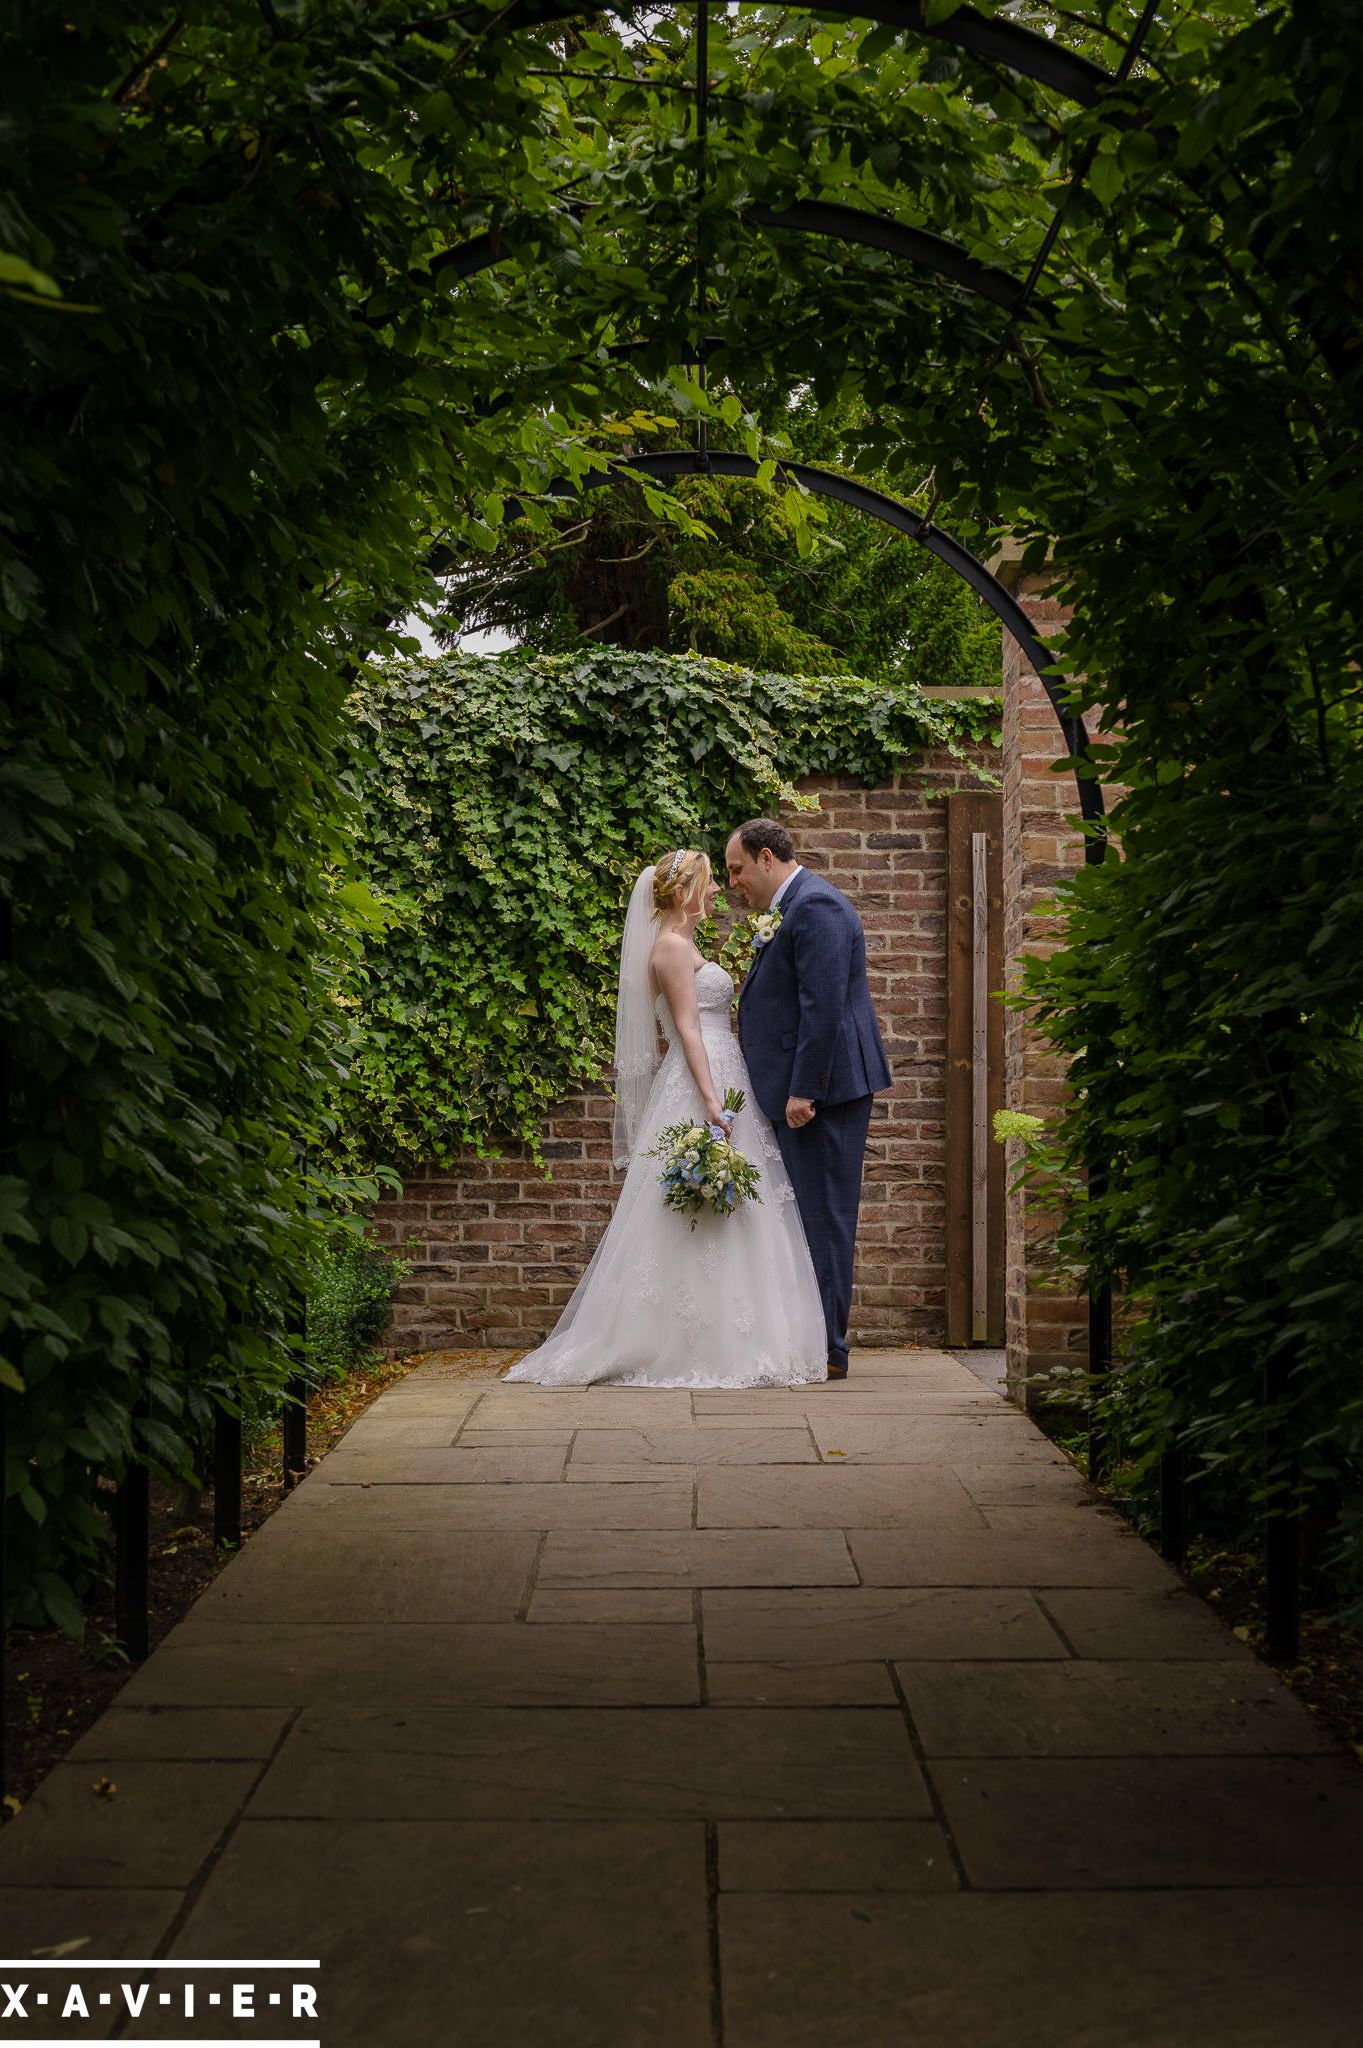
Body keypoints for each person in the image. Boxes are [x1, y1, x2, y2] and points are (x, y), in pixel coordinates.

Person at [504, 848, 828, 1389]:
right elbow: (688, 1030)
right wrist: (708, 1098)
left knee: (736, 1203)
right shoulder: (672, 948)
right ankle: (685, 1339)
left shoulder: (686, 944)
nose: (719, 890)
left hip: (724, 1072)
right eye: (709, 882)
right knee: (695, 1203)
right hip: (701, 1079)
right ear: (683, 894)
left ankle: (736, 1328)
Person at [725, 818, 892, 1380]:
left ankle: (830, 1350)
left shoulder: (815, 907)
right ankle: (814, 1339)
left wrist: (803, 1090)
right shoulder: (793, 906)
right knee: (807, 1215)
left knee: (823, 1216)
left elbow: (822, 1008)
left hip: (824, 1093)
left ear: (766, 858)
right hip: (807, 1090)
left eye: (737, 869)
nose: (732, 882)